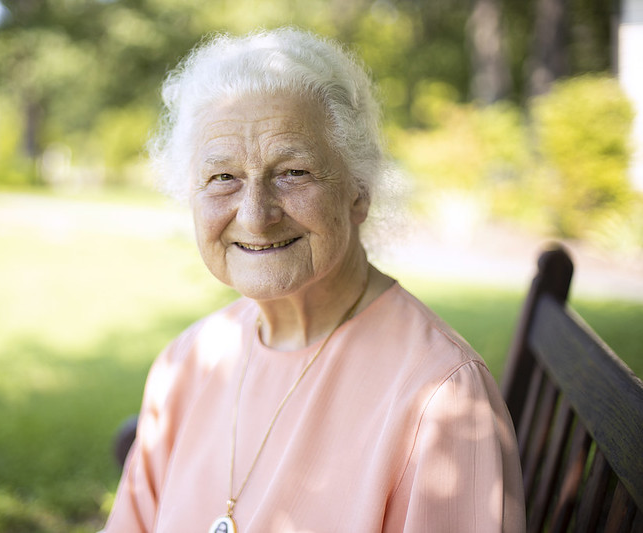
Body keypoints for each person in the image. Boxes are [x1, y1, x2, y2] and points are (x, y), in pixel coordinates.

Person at [102, 27, 525, 533]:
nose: (256, 216)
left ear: (359, 192)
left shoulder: (438, 397)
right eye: (223, 178)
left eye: (293, 172)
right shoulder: (186, 363)